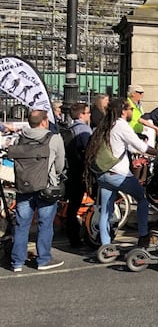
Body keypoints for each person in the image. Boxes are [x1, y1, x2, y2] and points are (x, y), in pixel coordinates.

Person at [85, 98, 156, 248]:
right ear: (123, 111)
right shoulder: (122, 125)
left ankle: (105, 244)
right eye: (130, 109)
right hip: (119, 174)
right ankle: (143, 236)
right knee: (142, 200)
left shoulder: (106, 124)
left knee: (106, 210)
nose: (131, 111)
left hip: (103, 173)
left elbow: (125, 146)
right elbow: (141, 147)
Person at [10, 110, 65, 272]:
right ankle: (43, 260)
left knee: (21, 225)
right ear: (44, 121)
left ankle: (17, 262)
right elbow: (60, 164)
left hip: (24, 186)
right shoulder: (53, 139)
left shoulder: (21, 138)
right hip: (46, 187)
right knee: (45, 224)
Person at [64, 102, 92, 248]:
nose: (89, 115)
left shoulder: (70, 128)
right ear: (81, 115)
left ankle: (72, 235)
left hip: (70, 170)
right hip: (81, 171)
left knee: (72, 205)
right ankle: (79, 236)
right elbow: (90, 150)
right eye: (87, 112)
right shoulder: (84, 130)